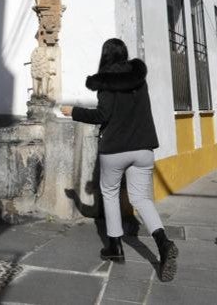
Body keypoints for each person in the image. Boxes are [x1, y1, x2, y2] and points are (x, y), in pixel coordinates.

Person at [61, 38, 178, 282]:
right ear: (125, 55)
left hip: (115, 149)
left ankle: (115, 247)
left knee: (111, 193)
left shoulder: (105, 82)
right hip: (144, 148)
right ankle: (163, 243)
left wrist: (74, 112)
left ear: (105, 56)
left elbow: (102, 114)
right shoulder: (139, 78)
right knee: (141, 199)